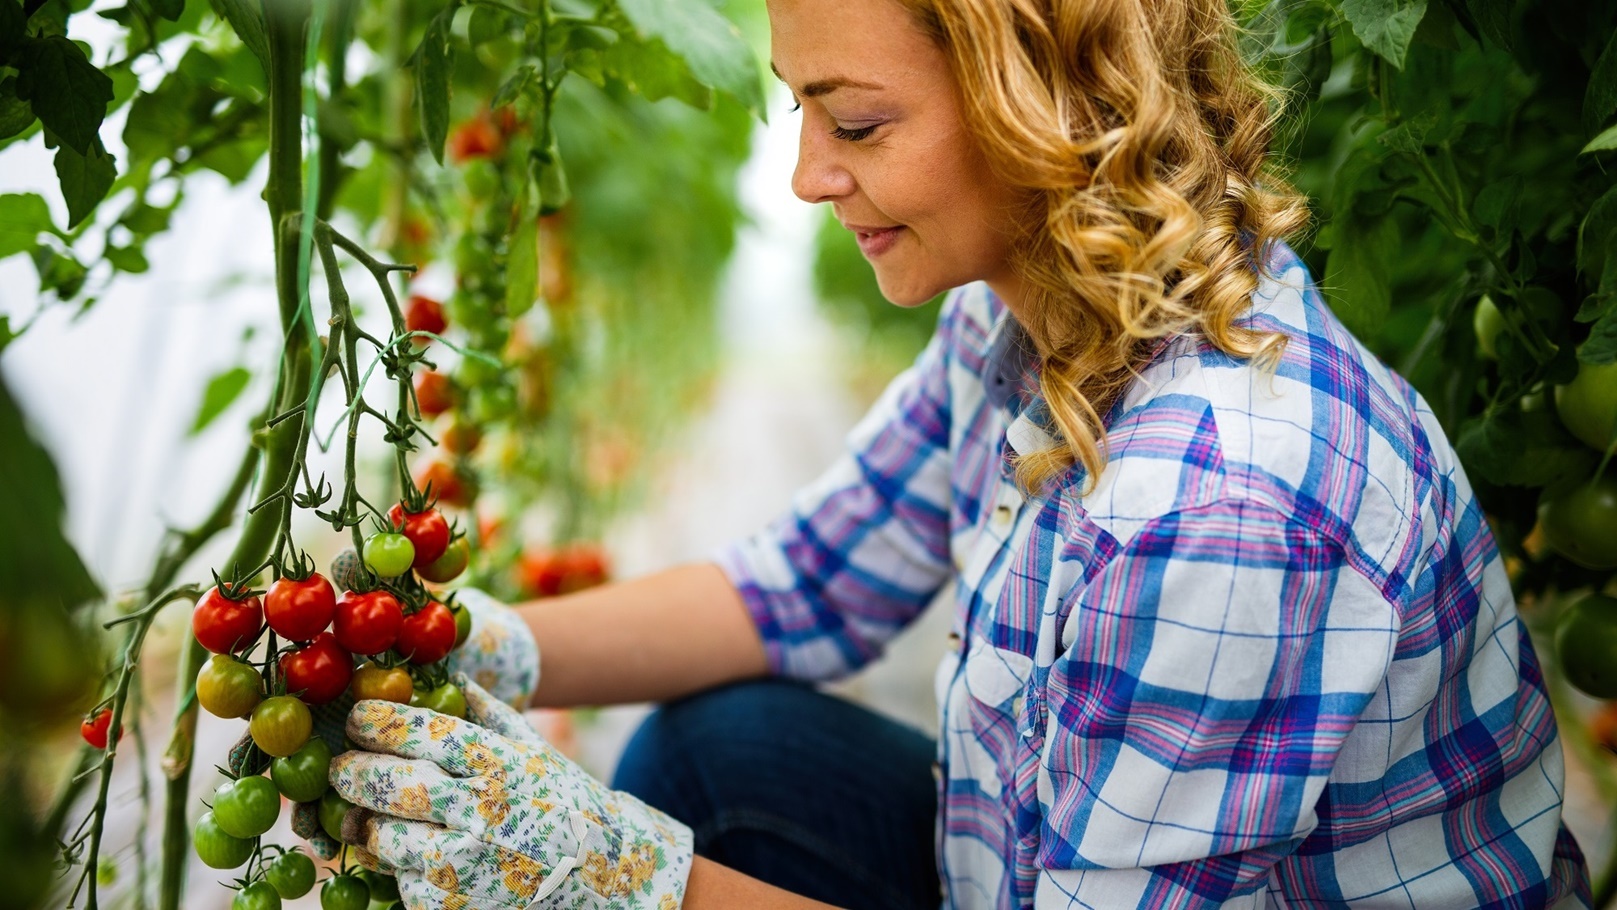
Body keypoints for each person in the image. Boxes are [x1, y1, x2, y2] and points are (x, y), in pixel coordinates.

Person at [326, 0, 1595, 906]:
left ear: (1035, 102)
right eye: (801, 112)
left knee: (661, 829)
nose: (811, 175)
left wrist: (628, 878)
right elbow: (802, 585)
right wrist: (481, 641)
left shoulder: (1217, 497)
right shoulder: (1018, 316)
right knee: (720, 751)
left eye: (859, 124)